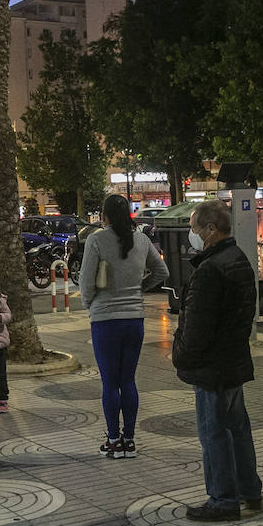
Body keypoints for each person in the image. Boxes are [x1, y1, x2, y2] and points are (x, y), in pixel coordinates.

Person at [173, 200, 260, 521]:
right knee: (237, 429)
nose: (191, 234)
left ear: (211, 229)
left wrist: (179, 354)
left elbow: (197, 328)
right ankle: (250, 490)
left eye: (194, 228)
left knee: (214, 433)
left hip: (212, 367)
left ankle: (223, 499)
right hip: (233, 360)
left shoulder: (211, 269)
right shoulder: (238, 259)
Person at [77, 194, 169, 458]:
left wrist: (90, 303)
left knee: (109, 382)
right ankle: (129, 440)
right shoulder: (141, 239)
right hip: (134, 320)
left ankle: (113, 440)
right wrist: (138, 290)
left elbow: (86, 283)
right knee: (128, 380)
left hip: (105, 320)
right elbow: (162, 272)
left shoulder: (96, 240)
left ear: (104, 215)